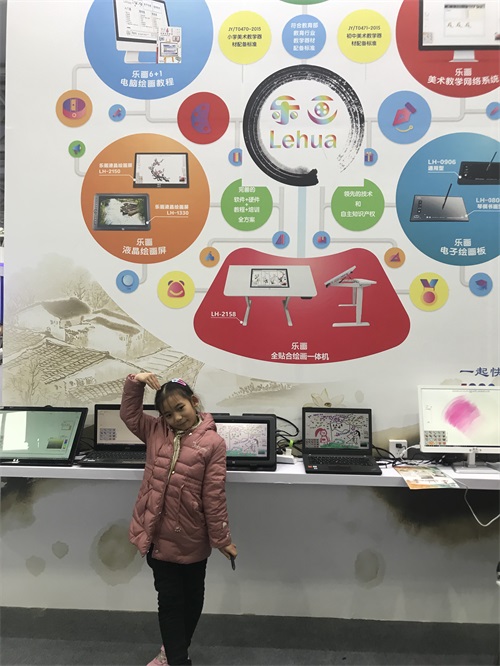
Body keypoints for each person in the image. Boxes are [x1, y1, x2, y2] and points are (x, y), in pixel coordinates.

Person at [120, 372, 238, 666]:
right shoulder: (156, 431)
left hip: (193, 536)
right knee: (171, 602)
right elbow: (129, 414)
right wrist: (136, 382)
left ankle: (171, 652)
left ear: (194, 402)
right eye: (168, 414)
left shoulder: (213, 443)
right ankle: (177, 660)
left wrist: (221, 539)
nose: (176, 418)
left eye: (180, 408)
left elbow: (214, 495)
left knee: (193, 600)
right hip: (158, 536)